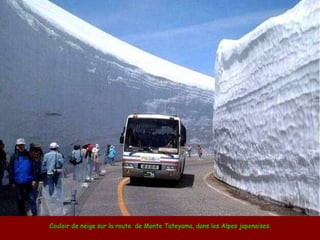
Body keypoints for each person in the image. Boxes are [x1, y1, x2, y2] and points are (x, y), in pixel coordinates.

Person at [8, 138, 38, 216]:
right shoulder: (13, 157)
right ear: (17, 146)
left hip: (28, 181)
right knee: (20, 200)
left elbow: (33, 167)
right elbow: (11, 169)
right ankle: (22, 215)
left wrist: (34, 179)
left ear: (24, 145)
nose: (21, 146)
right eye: (19, 145)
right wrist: (12, 181)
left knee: (32, 199)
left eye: (22, 145)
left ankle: (35, 215)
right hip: (18, 182)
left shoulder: (28, 155)